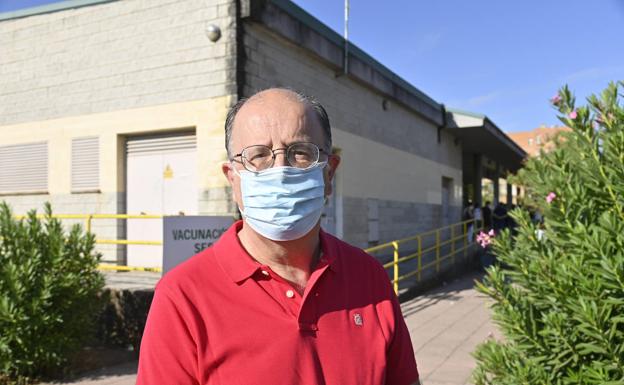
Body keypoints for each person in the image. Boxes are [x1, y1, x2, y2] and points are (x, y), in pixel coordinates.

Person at [136, 88, 420, 385]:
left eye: (301, 152)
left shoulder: (369, 276)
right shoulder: (182, 297)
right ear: (232, 179)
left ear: (329, 174)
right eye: (257, 155)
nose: (281, 170)